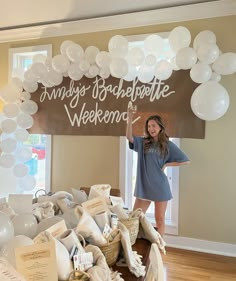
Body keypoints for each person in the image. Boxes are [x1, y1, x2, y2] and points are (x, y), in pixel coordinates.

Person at [126, 108, 190, 236]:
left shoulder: (167, 145)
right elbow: (129, 137)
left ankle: (160, 248)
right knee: (134, 219)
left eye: (154, 125)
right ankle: (134, 245)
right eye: (149, 126)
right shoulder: (144, 142)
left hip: (160, 187)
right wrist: (129, 118)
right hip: (144, 187)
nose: (151, 129)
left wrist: (167, 164)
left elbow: (185, 161)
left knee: (159, 220)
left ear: (160, 127)